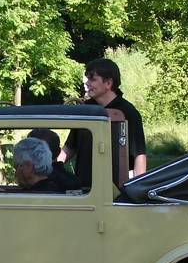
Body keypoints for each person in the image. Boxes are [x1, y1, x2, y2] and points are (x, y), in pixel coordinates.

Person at [60, 58, 147, 187]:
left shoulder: (128, 112)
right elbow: (70, 146)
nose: (87, 83)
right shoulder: (85, 109)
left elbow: (139, 155)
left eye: (92, 79)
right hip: (84, 190)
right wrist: (51, 168)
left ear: (108, 83)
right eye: (87, 78)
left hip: (115, 191)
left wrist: (138, 189)